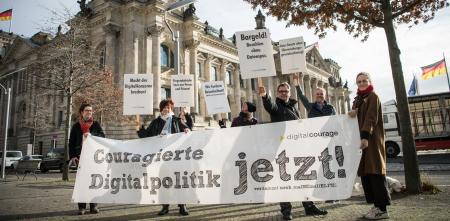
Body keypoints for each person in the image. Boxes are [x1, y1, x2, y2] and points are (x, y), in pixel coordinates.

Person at [259, 82, 327, 220]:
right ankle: (286, 211)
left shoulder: (293, 107)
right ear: (278, 93)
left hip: (296, 148)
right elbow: (269, 106)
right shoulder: (276, 106)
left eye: (286, 91)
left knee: (301, 179)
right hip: (282, 150)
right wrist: (265, 96)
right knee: (284, 182)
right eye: (281, 91)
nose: (284, 93)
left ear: (290, 93)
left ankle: (309, 206)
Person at [348, 72, 391, 220]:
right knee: (366, 174)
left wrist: (365, 137)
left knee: (376, 172)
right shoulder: (358, 99)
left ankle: (383, 209)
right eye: (359, 81)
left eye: (364, 81)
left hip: (371, 141)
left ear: (369, 81)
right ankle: (376, 206)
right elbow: (356, 119)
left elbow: (371, 118)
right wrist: (353, 113)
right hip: (361, 141)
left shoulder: (373, 96)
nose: (361, 83)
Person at [137, 99, 190, 216]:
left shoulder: (176, 120)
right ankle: (165, 206)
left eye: (168, 107)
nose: (166, 109)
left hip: (176, 158)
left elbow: (187, 128)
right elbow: (146, 136)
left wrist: (186, 128)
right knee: (164, 182)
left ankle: (183, 206)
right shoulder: (156, 122)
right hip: (161, 159)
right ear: (161, 109)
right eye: (164, 107)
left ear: (171, 109)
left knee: (179, 181)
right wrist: (139, 127)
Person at [293, 73, 338, 204]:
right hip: (315, 143)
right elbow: (302, 97)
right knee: (318, 168)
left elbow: (336, 123)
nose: (319, 96)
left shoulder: (331, 108)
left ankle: (332, 195)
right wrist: (297, 84)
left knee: (329, 168)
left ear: (325, 96)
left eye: (321, 94)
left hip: (329, 142)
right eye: (317, 94)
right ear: (315, 96)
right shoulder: (310, 106)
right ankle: (321, 193)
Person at [69, 103, 105, 215]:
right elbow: (71, 143)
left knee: (94, 182)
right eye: (87, 110)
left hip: (93, 158)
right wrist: (73, 156)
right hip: (81, 157)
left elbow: (102, 137)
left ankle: (94, 206)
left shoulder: (96, 124)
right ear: (81, 112)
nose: (89, 112)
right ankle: (82, 207)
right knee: (82, 183)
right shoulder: (75, 126)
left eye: (90, 110)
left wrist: (91, 134)